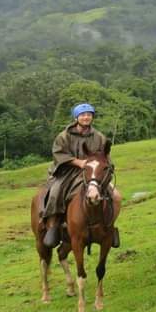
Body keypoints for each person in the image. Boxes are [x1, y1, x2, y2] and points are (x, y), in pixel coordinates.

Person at [40, 103, 122, 248]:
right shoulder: (64, 136)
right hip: (68, 171)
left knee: (115, 195)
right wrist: (78, 162)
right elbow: (58, 154)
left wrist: (107, 167)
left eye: (89, 115)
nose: (86, 117)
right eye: (83, 115)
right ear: (76, 117)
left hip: (93, 172)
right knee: (55, 191)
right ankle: (53, 226)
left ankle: (110, 227)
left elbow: (105, 156)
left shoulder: (99, 137)